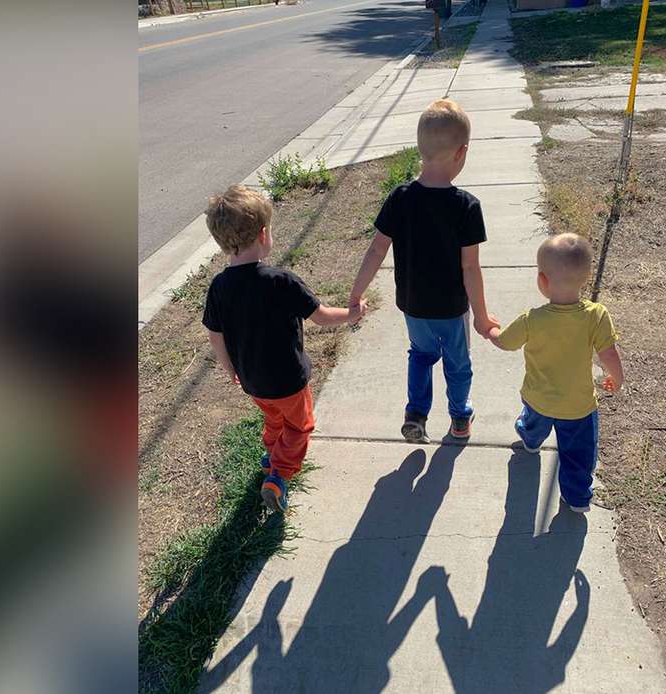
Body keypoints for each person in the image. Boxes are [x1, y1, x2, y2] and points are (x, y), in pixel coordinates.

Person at [202, 185, 365, 512]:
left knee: (274, 419)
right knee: (299, 425)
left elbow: (214, 331)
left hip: (251, 380)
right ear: (264, 234)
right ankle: (278, 476)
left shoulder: (219, 286)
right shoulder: (280, 281)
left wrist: (229, 368)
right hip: (288, 380)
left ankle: (270, 455)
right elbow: (319, 316)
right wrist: (352, 313)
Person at [347, 99, 496, 444]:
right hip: (452, 308)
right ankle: (460, 417)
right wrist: (482, 316)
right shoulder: (466, 206)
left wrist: (356, 293)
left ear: (420, 148)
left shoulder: (400, 198)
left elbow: (376, 250)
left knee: (421, 355)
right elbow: (470, 267)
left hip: (413, 305)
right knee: (458, 363)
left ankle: (416, 413)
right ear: (461, 153)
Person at [486, 233, 624, 513]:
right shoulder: (596, 315)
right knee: (577, 454)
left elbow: (505, 342)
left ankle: (531, 440)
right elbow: (608, 354)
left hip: (539, 397)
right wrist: (617, 379)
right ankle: (576, 498)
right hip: (578, 405)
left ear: (542, 281)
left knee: (533, 424)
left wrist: (491, 329)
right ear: (585, 278)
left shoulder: (532, 319)